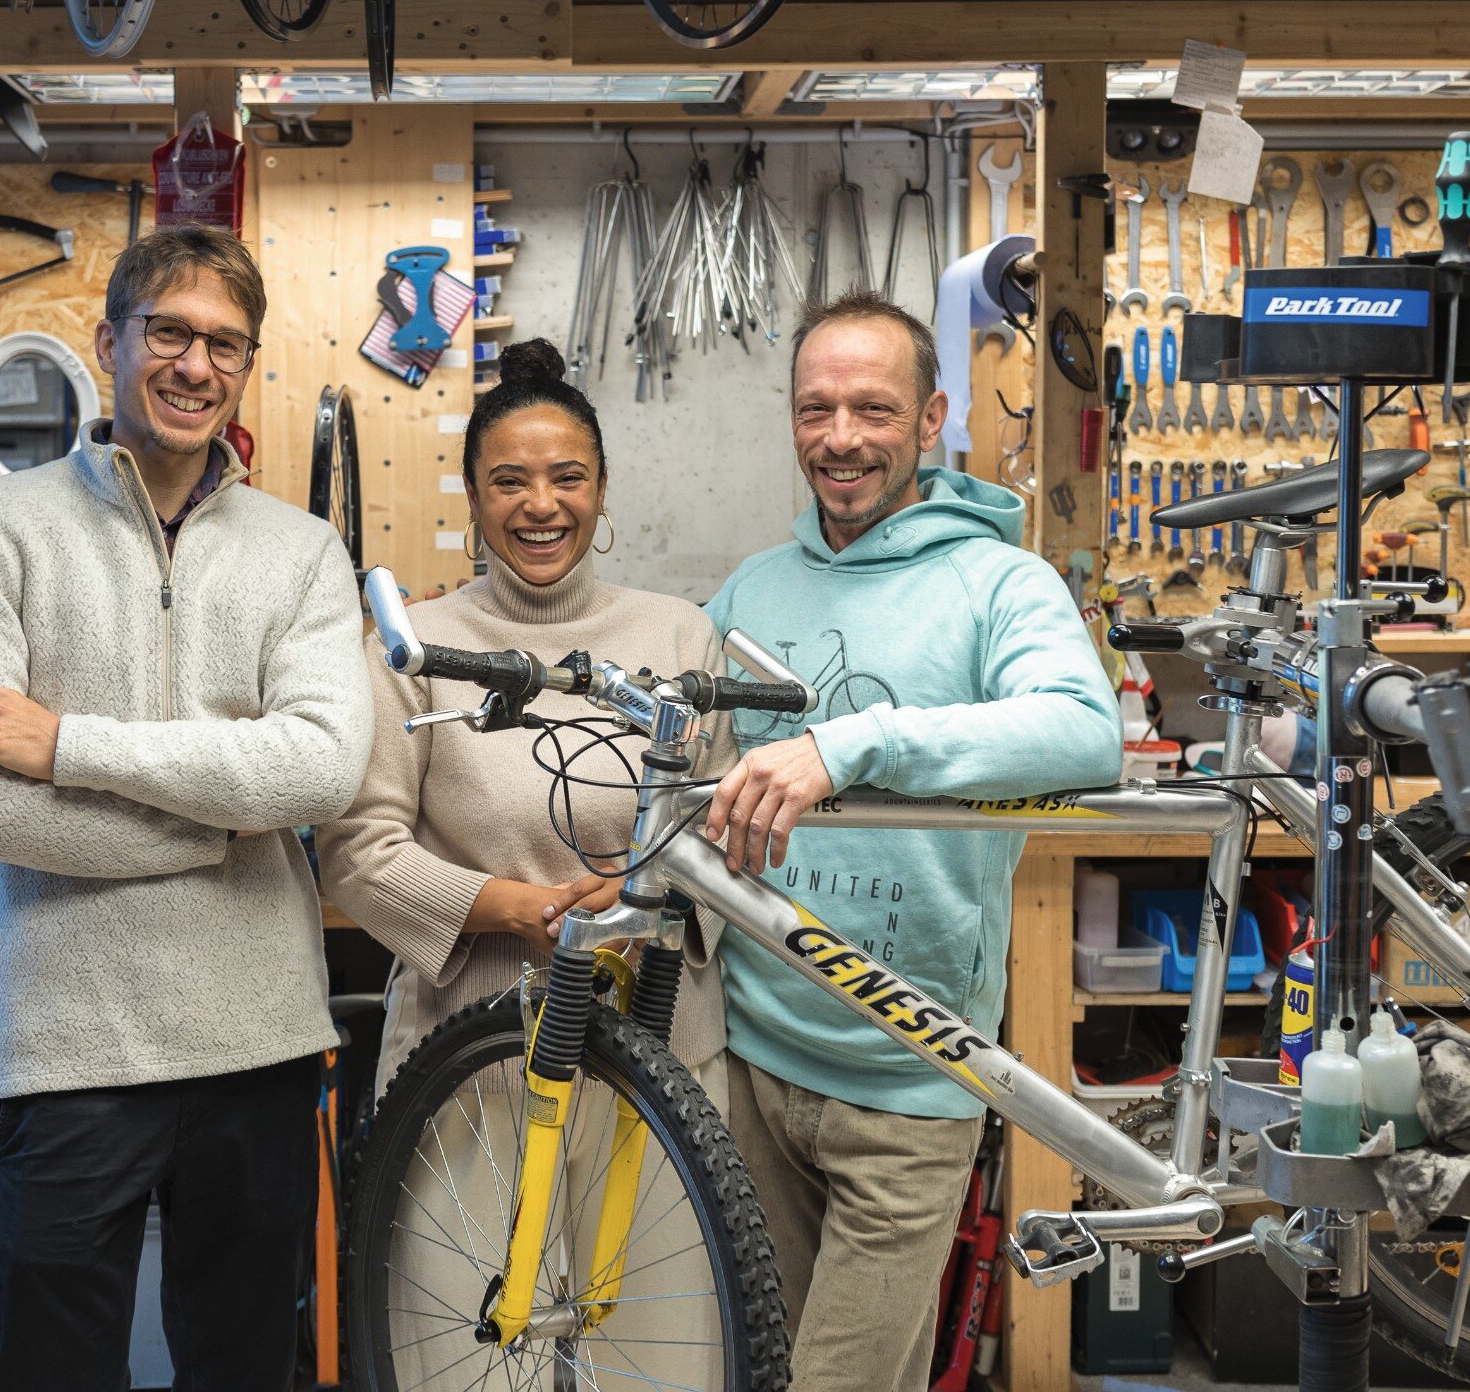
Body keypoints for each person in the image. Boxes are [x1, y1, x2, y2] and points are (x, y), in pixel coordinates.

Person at [0, 225, 374, 1392]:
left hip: (256, 1043)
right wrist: (216, 823)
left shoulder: (303, 552)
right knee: (52, 1372)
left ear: (246, 364)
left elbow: (318, 772)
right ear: (109, 340)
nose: (194, 365)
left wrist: (62, 743)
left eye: (224, 343)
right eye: (168, 331)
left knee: (243, 1369)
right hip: (66, 1047)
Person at [701, 291, 1124, 1392]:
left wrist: (858, 743)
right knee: (757, 1367)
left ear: (933, 416)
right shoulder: (753, 585)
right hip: (749, 1060)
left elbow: (1085, 732)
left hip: (909, 1074)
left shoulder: (999, 581)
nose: (840, 437)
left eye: (873, 408)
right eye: (816, 408)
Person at [318, 338, 735, 1096]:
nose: (541, 505)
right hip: (466, 1066)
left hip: (662, 1063)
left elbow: (725, 830)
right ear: (473, 496)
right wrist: (526, 912)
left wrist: (644, 900)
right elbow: (356, 850)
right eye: (508, 481)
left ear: (602, 489)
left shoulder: (681, 635)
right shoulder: (416, 646)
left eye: (568, 478)